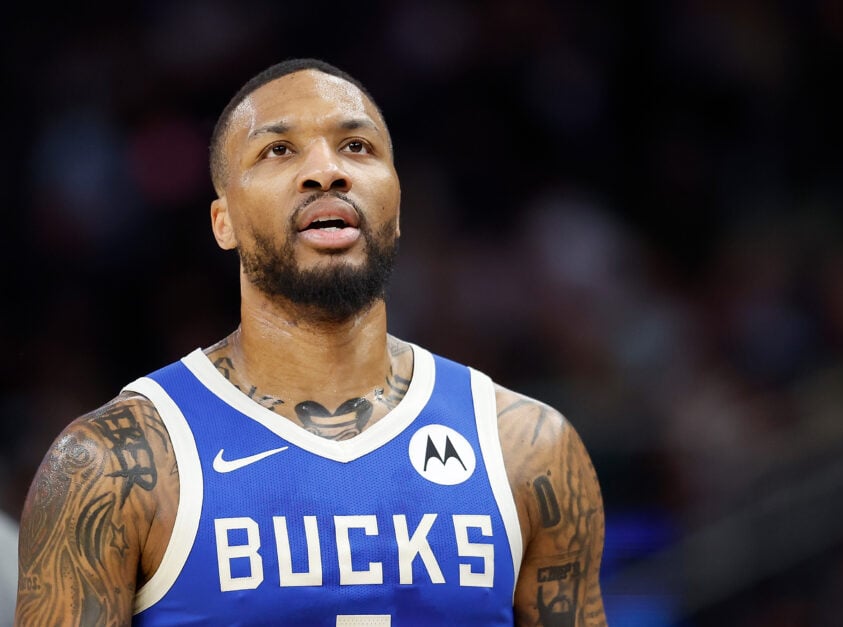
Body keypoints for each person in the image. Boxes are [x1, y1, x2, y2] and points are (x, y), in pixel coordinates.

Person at [14, 58, 607, 626]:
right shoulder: (110, 462)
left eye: (357, 146)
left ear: (398, 208)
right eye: (278, 150)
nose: (327, 171)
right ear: (223, 222)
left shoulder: (530, 448)